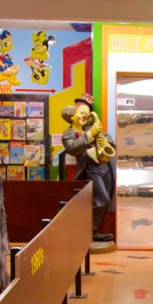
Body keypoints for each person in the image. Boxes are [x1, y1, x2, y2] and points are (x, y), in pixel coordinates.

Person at [62, 95, 115, 243]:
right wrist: (90, 134)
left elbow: (108, 140)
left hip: (104, 168)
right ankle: (88, 231)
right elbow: (73, 148)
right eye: (81, 112)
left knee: (106, 200)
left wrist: (104, 139)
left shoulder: (91, 128)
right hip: (90, 169)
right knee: (101, 200)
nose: (84, 116)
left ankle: (93, 230)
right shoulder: (68, 134)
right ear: (72, 116)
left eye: (86, 113)